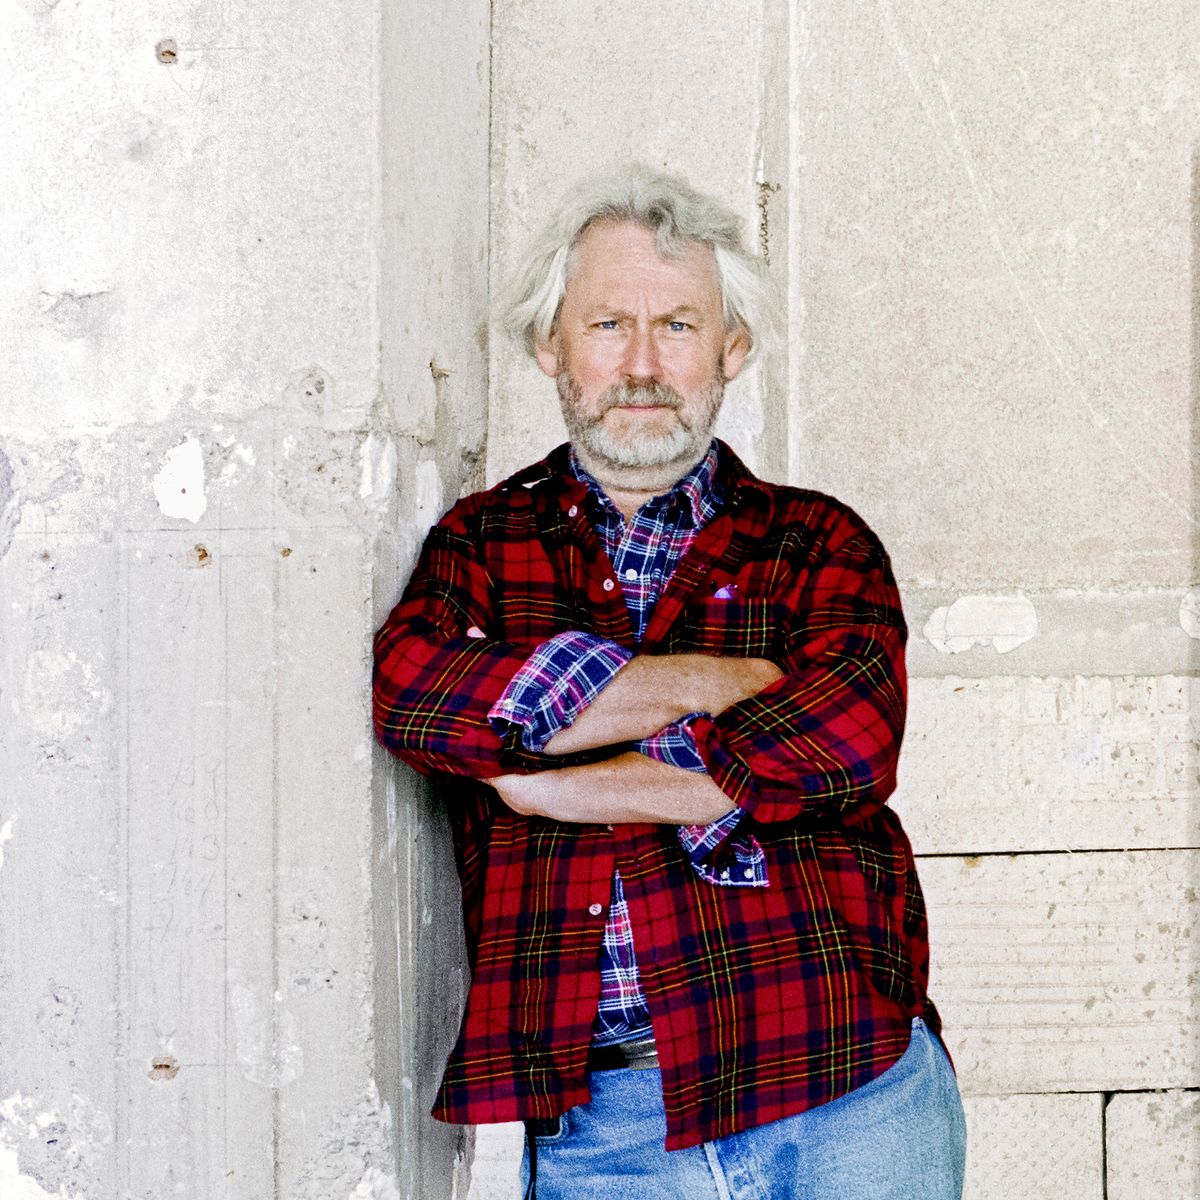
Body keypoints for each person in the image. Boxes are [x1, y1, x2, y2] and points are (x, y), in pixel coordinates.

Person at [372, 164, 966, 1199]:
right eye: (608, 325)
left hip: (847, 1087)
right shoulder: (479, 548)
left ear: (731, 349)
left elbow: (848, 742)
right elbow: (418, 696)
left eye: (680, 326)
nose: (642, 365)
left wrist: (555, 777)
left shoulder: (817, 541)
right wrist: (718, 685)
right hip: (607, 1132)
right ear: (549, 345)